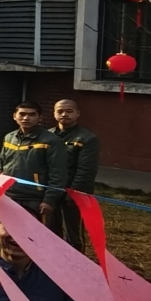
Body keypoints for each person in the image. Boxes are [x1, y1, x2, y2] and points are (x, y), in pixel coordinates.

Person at [0, 101, 68, 225]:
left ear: (40, 118)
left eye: (31, 114)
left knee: (34, 239)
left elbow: (58, 173)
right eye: (22, 114)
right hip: (9, 195)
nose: (26, 118)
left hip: (35, 198)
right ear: (14, 116)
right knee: (7, 236)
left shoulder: (52, 141)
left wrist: (49, 200)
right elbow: (2, 166)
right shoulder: (9, 137)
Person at [52, 98, 101, 253]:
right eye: (60, 111)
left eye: (69, 111)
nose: (64, 114)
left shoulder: (87, 138)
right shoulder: (47, 136)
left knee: (73, 236)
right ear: (54, 114)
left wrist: (74, 194)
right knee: (49, 232)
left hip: (73, 195)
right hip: (51, 193)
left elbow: (86, 170)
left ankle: (77, 267)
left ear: (77, 113)